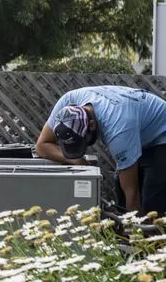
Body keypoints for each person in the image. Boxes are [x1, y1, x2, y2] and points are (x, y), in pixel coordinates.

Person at [35, 85, 166, 216]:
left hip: (162, 134)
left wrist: (135, 228)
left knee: (152, 203)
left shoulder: (118, 128)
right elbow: (42, 146)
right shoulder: (67, 105)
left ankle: (155, 233)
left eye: (82, 142)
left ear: (91, 125)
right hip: (138, 126)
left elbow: (132, 196)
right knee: (122, 194)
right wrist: (75, 159)